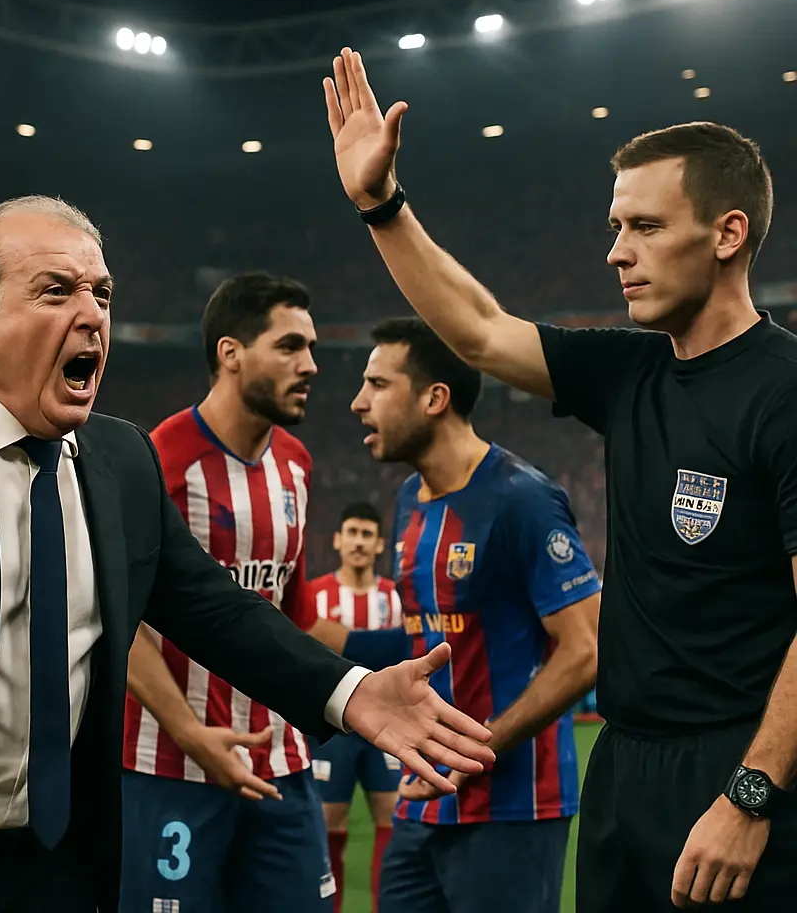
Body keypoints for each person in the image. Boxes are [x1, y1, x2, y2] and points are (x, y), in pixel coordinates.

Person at [0, 195, 496, 913]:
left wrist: (350, 690)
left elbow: (216, 610)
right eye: (56, 291)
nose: (92, 313)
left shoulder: (120, 459)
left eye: (102, 293)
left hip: (52, 869)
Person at [323, 46, 797, 910]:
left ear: (728, 234)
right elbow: (477, 330)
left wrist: (751, 796)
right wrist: (381, 204)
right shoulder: (631, 372)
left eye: (645, 227)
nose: (617, 252)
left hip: (740, 772)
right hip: (625, 767)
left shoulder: (784, 391)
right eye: (616, 227)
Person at [337, 316, 599, 913]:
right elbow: (430, 642)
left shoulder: (522, 499)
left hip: (513, 807)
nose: (358, 402)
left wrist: (478, 749)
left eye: (378, 384)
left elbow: (586, 649)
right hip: (422, 801)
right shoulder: (409, 501)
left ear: (435, 398)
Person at [122, 272, 360, 912]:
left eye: (311, 348)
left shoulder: (296, 464)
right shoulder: (159, 460)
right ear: (230, 353)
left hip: (282, 765)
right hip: (171, 766)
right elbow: (122, 623)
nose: (310, 365)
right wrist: (190, 732)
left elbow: (293, 615)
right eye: (289, 346)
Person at [309, 502, 403, 913]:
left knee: (392, 814)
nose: (359, 542)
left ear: (380, 544)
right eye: (352, 533)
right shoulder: (315, 595)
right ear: (337, 540)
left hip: (388, 726)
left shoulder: (395, 598)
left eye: (367, 535)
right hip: (333, 726)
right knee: (329, 818)